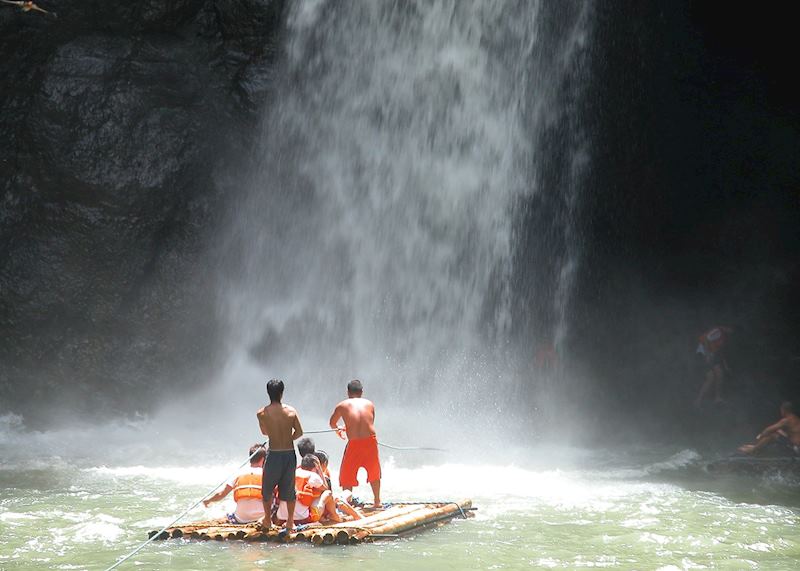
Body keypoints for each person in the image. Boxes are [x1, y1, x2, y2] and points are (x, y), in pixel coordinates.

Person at [257, 379, 304, 533]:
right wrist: (287, 438)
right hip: (289, 454)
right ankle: (290, 522)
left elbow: (264, 432)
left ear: (268, 393)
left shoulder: (262, 413)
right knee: (289, 489)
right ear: (282, 393)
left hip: (274, 454)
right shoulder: (291, 411)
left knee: (267, 489)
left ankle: (268, 520)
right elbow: (299, 432)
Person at [329, 379, 382, 507]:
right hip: (370, 440)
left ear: (348, 392)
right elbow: (369, 421)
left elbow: (332, 423)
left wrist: (340, 430)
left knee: (347, 474)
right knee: (374, 470)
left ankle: (347, 503)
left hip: (354, 443)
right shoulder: (369, 404)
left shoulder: (342, 405)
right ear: (362, 392)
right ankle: (377, 501)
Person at [202, 444, 266, 523]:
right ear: (263, 459)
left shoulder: (239, 473)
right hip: (261, 518)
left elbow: (221, 494)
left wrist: (209, 500)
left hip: (241, 518)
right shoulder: (267, 474)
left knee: (229, 513)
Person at [693, 325, 733, 407]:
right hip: (703, 352)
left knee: (720, 373)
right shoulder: (718, 331)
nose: (731, 332)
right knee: (711, 377)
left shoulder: (725, 337)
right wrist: (707, 355)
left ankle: (717, 398)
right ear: (728, 327)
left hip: (711, 354)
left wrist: (726, 366)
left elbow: (721, 352)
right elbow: (706, 338)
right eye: (731, 329)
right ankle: (697, 401)